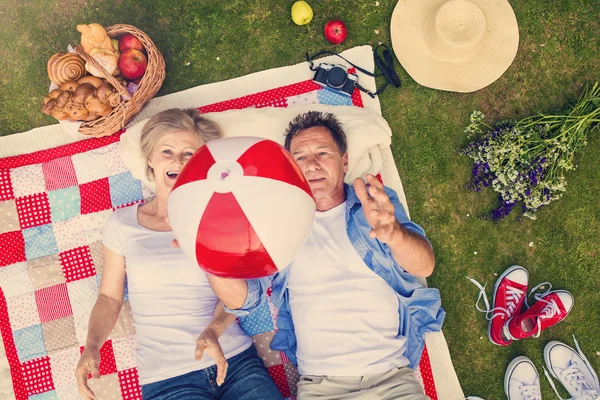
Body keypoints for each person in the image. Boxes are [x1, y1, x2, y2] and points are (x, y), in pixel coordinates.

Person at [204, 111, 445, 399]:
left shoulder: (373, 204)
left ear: (344, 161)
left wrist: (394, 234)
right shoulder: (274, 223)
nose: (312, 165)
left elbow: (425, 266)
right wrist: (207, 258)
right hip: (322, 388)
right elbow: (244, 302)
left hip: (392, 378)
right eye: (301, 157)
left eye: (322, 152)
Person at [75, 108, 283, 400]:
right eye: (167, 151)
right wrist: (92, 346)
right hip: (167, 379)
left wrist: (213, 329)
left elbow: (236, 295)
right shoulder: (122, 224)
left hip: (235, 361)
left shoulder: (221, 217)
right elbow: (109, 298)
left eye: (189, 153)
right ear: (150, 159)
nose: (177, 160)